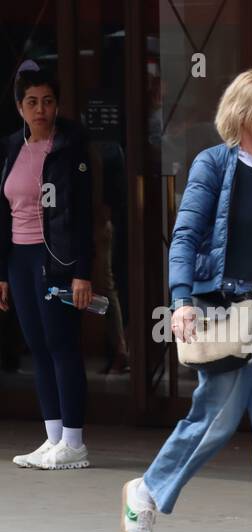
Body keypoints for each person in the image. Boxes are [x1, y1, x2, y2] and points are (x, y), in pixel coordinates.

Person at [119, 69, 252, 532]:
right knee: (217, 417)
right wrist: (180, 300)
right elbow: (185, 236)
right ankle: (146, 493)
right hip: (223, 309)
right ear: (242, 111)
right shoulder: (213, 165)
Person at [0, 68, 95, 470]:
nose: (41, 109)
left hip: (55, 258)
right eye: (32, 102)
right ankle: (53, 436)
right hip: (19, 258)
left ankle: (74, 441)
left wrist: (83, 271)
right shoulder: (10, 147)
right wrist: (3, 272)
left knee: (61, 345)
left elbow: (85, 213)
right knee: (37, 347)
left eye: (48, 101)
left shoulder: (70, 147)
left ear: (57, 105)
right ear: (20, 107)